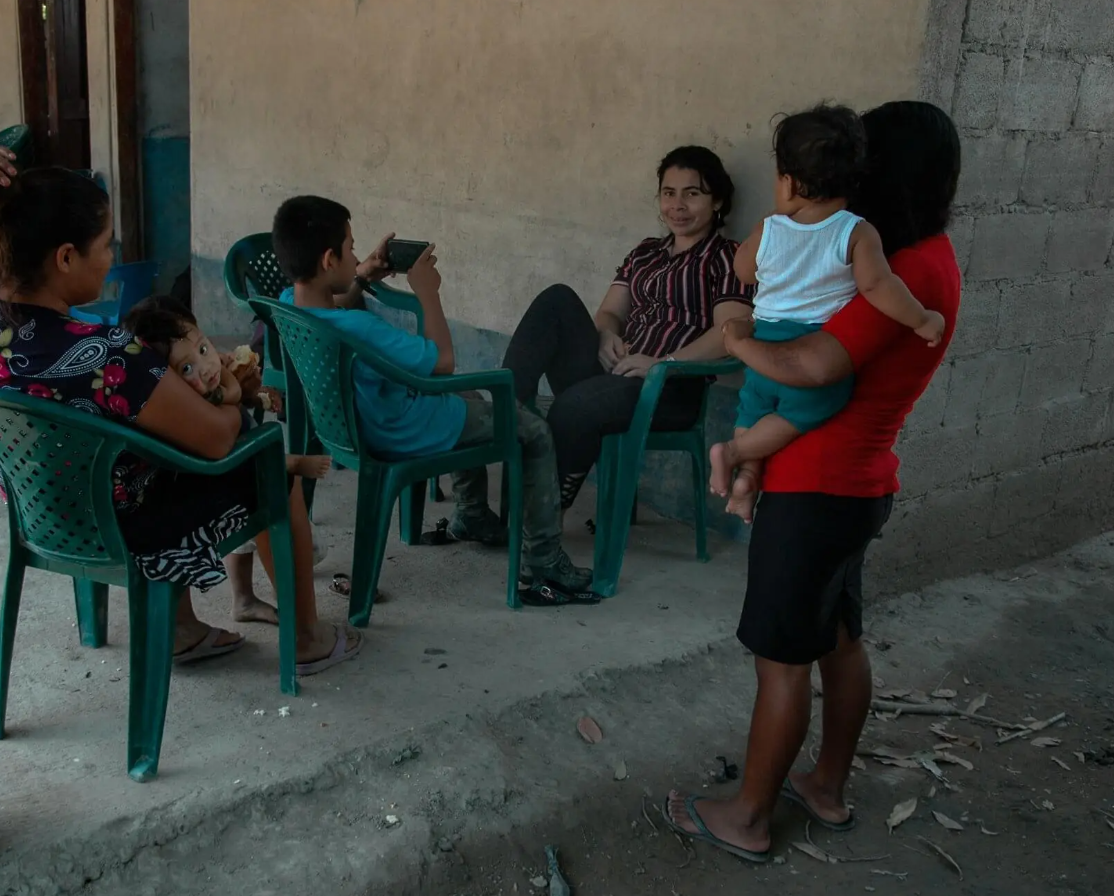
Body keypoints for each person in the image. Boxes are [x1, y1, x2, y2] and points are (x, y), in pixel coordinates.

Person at [662, 100, 962, 861]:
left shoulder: (899, 268)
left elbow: (809, 365)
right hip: (858, 483)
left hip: (816, 488)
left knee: (782, 660)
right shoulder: (916, 255)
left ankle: (748, 817)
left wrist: (734, 336)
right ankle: (824, 787)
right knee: (838, 642)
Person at [0, 149, 361, 676]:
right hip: (123, 523)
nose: (112, 255)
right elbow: (214, 440)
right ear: (66, 257)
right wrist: (230, 396)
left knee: (150, 445)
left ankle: (182, 629)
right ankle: (307, 640)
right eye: (105, 245)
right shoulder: (109, 356)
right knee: (264, 458)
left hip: (40, 511)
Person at [272, 195, 593, 593]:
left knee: (471, 397)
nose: (357, 255)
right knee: (533, 430)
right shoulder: (358, 327)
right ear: (327, 260)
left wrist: (363, 276)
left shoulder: (290, 303)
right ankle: (543, 560)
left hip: (357, 425)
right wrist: (428, 292)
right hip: (401, 428)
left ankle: (471, 513)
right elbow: (442, 363)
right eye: (351, 248)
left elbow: (332, 303)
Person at [708, 104, 946, 513]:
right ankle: (734, 456)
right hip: (803, 342)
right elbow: (877, 285)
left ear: (788, 182)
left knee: (754, 404)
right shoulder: (856, 232)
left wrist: (764, 240)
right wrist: (922, 319)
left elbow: (743, 271)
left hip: (763, 338)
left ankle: (746, 477)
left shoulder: (769, 227)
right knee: (814, 406)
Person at [501, 146, 755, 513]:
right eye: (669, 193)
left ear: (716, 202)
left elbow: (730, 332)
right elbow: (609, 312)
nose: (678, 205)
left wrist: (661, 362)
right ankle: (507, 407)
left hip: (669, 388)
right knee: (558, 300)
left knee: (573, 407)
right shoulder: (646, 252)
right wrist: (605, 335)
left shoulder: (729, 257)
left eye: (692, 193)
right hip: (615, 372)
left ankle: (532, 517)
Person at [123, 295, 332, 625]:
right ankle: (301, 626)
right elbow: (229, 405)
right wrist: (235, 388)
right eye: (186, 368)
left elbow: (239, 399)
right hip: (216, 477)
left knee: (248, 533)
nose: (206, 369)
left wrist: (253, 392)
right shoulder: (185, 403)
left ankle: (244, 600)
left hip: (227, 471)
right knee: (265, 488)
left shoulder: (203, 381)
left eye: (203, 349)